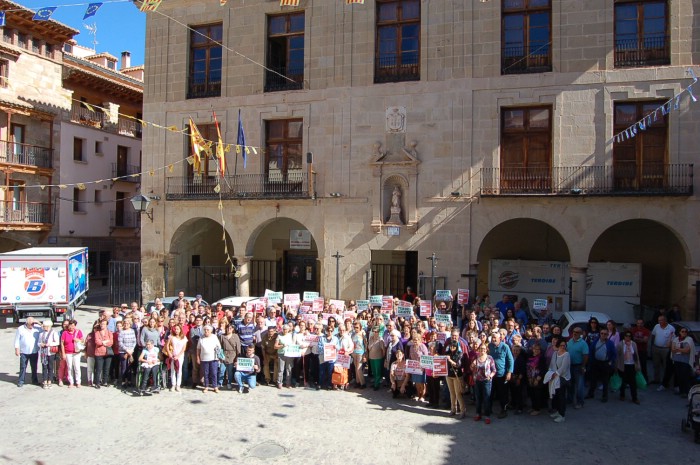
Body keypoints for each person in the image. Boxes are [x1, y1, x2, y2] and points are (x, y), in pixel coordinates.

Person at [586, 327, 616, 402]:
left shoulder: (610, 343)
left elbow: (614, 354)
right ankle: (590, 394)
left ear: (607, 335)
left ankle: (605, 396)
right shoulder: (595, 341)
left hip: (605, 363)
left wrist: (610, 362)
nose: (603, 335)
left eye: (605, 334)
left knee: (605, 381)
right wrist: (591, 361)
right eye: (602, 333)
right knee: (593, 379)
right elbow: (591, 351)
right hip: (596, 363)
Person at [488, 331, 514, 419]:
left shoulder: (505, 347)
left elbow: (510, 360)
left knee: (503, 394)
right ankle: (488, 409)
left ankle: (504, 410)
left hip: (501, 374)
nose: (493, 339)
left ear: (500, 338)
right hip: (491, 374)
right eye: (492, 337)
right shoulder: (489, 346)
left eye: (495, 338)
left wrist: (509, 372)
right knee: (490, 393)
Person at [472, 344, 496, 424]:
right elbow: (471, 368)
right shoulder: (476, 358)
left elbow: (494, 370)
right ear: (478, 349)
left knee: (486, 398)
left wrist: (490, 376)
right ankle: (478, 414)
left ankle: (487, 415)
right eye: (481, 349)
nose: (482, 350)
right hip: (477, 380)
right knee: (478, 398)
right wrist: (472, 366)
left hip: (486, 381)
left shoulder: (489, 358)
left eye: (484, 349)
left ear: (486, 349)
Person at [548, 339, 571, 423]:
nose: (562, 347)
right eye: (561, 345)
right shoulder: (555, 353)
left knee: (562, 397)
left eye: (564, 345)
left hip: (563, 378)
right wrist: (551, 373)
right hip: (555, 377)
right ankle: (557, 411)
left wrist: (556, 373)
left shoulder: (567, 355)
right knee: (556, 396)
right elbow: (552, 364)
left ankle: (562, 415)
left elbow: (564, 367)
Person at [14, 317, 41, 387]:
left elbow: (46, 329)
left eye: (33, 323)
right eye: (31, 324)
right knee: (23, 367)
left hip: (34, 351)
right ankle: (21, 381)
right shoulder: (20, 329)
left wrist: (39, 323)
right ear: (27, 323)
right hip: (24, 352)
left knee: (34, 367)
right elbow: (17, 339)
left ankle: (34, 380)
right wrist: (17, 349)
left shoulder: (37, 327)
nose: (32, 325)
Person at [650, 315, 675, 390]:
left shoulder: (671, 328)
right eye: (659, 320)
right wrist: (652, 346)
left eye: (661, 320)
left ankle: (666, 382)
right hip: (656, 348)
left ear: (665, 321)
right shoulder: (656, 326)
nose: (659, 322)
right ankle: (656, 379)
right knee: (655, 364)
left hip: (666, 349)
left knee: (666, 366)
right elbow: (653, 336)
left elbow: (673, 340)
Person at [566, 327, 589, 409]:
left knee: (579, 385)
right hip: (569, 366)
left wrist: (583, 366)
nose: (575, 333)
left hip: (578, 366)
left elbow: (585, 356)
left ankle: (580, 402)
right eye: (574, 331)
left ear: (580, 334)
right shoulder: (570, 341)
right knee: (570, 384)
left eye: (577, 332)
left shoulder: (583, 343)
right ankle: (570, 399)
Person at [445, 334, 467, 418]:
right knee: (452, 393)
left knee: (458, 394)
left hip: (457, 375)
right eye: (451, 347)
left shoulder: (459, 354)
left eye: (453, 347)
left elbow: (458, 365)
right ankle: (453, 409)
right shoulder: (448, 353)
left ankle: (462, 410)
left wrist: (450, 360)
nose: (452, 348)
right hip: (449, 375)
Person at [616, 331, 641, 404]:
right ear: (624, 336)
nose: (628, 337)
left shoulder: (633, 344)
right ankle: (622, 394)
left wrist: (638, 365)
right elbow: (617, 356)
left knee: (633, 383)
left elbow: (636, 355)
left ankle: (634, 397)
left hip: (632, 365)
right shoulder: (620, 344)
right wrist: (616, 366)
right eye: (626, 336)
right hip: (623, 365)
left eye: (629, 336)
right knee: (623, 382)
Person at [671, 327, 696, 396]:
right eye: (682, 331)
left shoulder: (689, 339)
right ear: (679, 332)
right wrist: (682, 350)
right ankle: (681, 391)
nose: (684, 333)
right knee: (679, 376)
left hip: (685, 361)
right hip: (677, 360)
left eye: (685, 331)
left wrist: (678, 349)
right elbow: (673, 349)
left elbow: (687, 351)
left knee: (685, 377)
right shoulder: (676, 339)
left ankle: (687, 392)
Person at [197, 325, 221, 393]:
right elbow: (198, 348)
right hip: (204, 358)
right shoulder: (201, 338)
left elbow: (218, 347)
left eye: (208, 330)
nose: (206, 331)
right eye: (205, 330)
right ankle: (206, 386)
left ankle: (215, 386)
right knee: (206, 373)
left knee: (214, 373)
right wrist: (198, 357)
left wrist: (219, 356)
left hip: (213, 358)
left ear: (211, 330)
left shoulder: (214, 337)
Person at [60, 320, 84, 388]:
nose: (72, 327)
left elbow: (83, 341)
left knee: (77, 367)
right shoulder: (65, 333)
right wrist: (63, 353)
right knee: (69, 367)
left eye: (73, 325)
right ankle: (71, 382)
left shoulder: (78, 332)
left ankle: (78, 382)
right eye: (70, 325)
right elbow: (62, 343)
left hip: (76, 353)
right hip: (68, 353)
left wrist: (78, 340)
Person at [526, 343, 548, 416]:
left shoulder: (542, 358)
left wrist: (537, 379)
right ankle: (533, 407)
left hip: (538, 378)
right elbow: (528, 368)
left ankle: (537, 409)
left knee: (537, 394)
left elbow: (543, 370)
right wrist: (529, 378)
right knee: (532, 393)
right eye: (534, 349)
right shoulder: (530, 357)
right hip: (531, 377)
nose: (536, 350)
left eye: (537, 349)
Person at [38, 320, 60, 389]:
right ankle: (44, 381)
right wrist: (40, 344)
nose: (44, 327)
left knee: (50, 367)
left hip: (51, 352)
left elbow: (57, 342)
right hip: (43, 353)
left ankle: (50, 381)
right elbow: (38, 343)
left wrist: (49, 344)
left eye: (45, 326)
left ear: (49, 326)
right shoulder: (41, 334)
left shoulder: (54, 333)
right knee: (44, 367)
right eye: (44, 326)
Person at [219, 324, 241, 390]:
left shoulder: (236, 336)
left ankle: (229, 383)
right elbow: (220, 347)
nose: (229, 329)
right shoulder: (222, 336)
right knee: (221, 370)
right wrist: (220, 356)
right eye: (228, 328)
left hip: (232, 355)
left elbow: (238, 347)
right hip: (224, 354)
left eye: (230, 328)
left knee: (230, 371)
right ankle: (219, 383)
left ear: (233, 329)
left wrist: (237, 357)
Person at [166, 324, 187, 391]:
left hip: (180, 356)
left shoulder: (184, 338)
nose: (176, 330)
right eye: (175, 329)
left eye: (178, 329)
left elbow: (184, 348)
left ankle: (178, 385)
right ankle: (173, 384)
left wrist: (178, 356)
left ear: (180, 329)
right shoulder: (171, 337)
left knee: (179, 370)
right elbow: (167, 345)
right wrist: (169, 353)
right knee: (172, 370)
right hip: (173, 355)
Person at [93, 319, 114, 388]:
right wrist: (104, 342)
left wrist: (103, 342)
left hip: (108, 353)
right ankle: (97, 382)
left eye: (104, 324)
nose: (102, 325)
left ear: (107, 325)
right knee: (99, 368)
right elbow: (97, 342)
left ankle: (105, 381)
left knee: (106, 368)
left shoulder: (109, 332)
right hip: (99, 352)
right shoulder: (97, 332)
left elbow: (111, 342)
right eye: (101, 324)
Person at [367, 326, 386, 391]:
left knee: (378, 372)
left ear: (378, 332)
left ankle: (376, 385)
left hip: (378, 357)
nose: (375, 333)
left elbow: (383, 350)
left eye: (376, 332)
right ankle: (375, 382)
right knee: (374, 371)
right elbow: (368, 348)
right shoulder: (371, 339)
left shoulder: (380, 340)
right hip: (371, 357)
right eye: (374, 331)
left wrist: (382, 357)